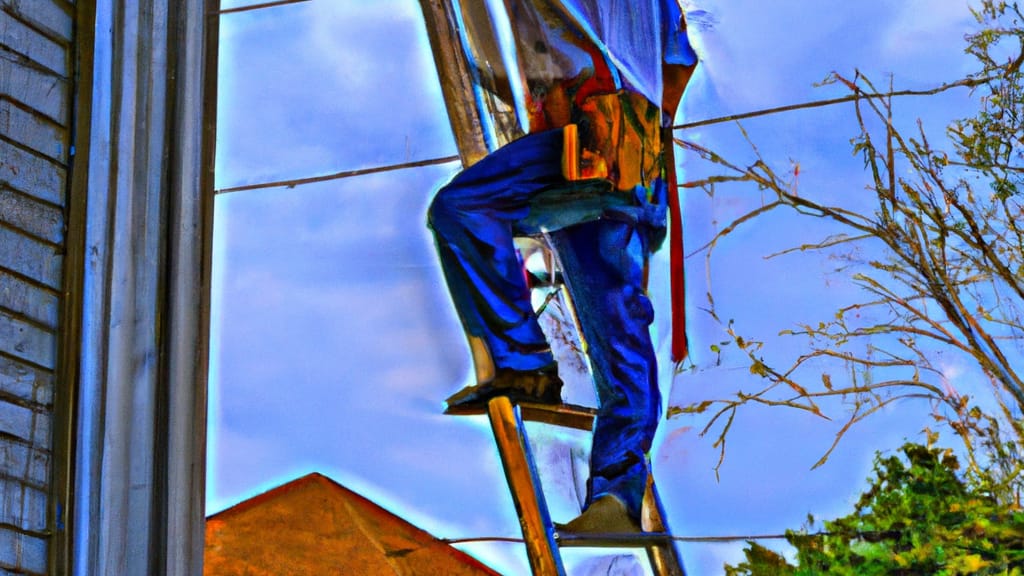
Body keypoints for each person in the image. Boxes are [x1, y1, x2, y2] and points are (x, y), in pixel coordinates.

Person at [428, 0, 697, 532]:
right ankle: (614, 495)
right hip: (614, 153)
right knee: (618, 329)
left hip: (598, 139)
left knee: (463, 207)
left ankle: (528, 368)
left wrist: (618, 117)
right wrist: (648, 127)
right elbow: (678, 61)